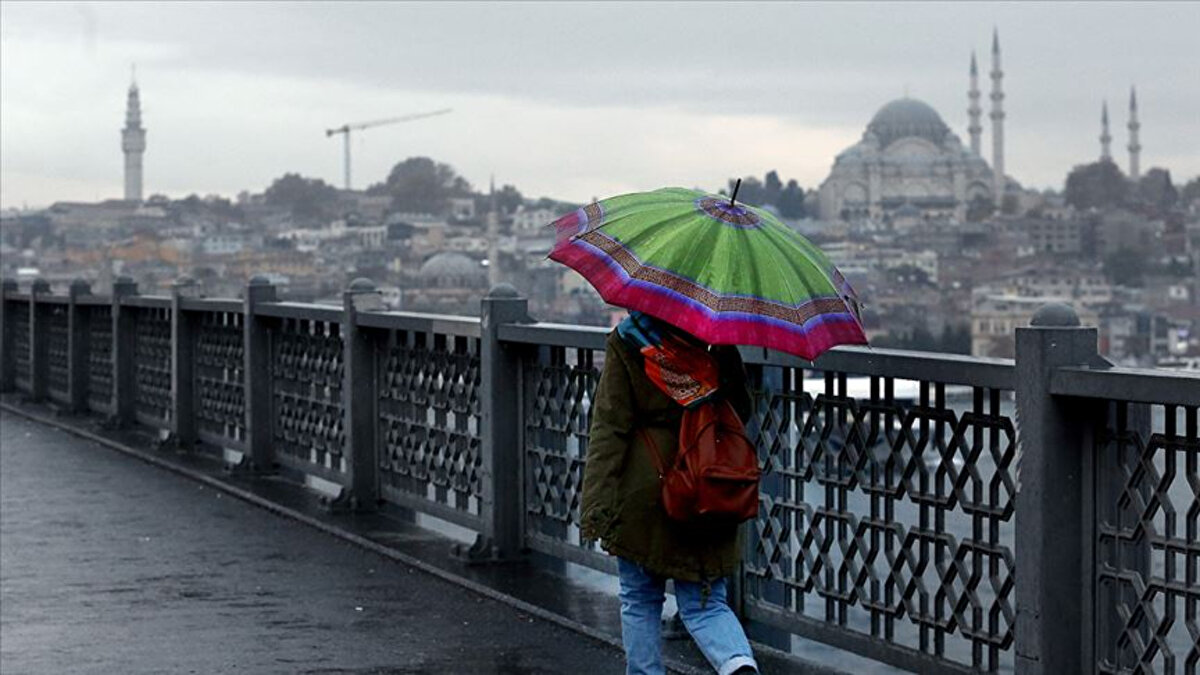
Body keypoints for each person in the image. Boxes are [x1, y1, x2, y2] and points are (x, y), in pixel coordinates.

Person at [581, 311, 759, 675]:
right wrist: (725, 354)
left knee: (640, 598)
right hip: (706, 485)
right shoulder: (714, 338)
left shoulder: (629, 340)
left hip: (646, 488)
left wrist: (596, 502)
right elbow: (740, 411)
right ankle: (739, 665)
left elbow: (610, 427)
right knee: (706, 604)